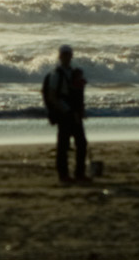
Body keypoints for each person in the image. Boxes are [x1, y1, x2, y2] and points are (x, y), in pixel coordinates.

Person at [41, 44, 88, 184]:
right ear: (60, 57)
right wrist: (64, 110)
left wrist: (80, 110)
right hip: (64, 113)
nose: (67, 57)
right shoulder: (56, 74)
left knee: (82, 143)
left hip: (74, 113)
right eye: (64, 55)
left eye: (69, 54)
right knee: (63, 145)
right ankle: (64, 176)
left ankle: (79, 174)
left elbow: (78, 94)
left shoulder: (74, 73)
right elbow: (51, 96)